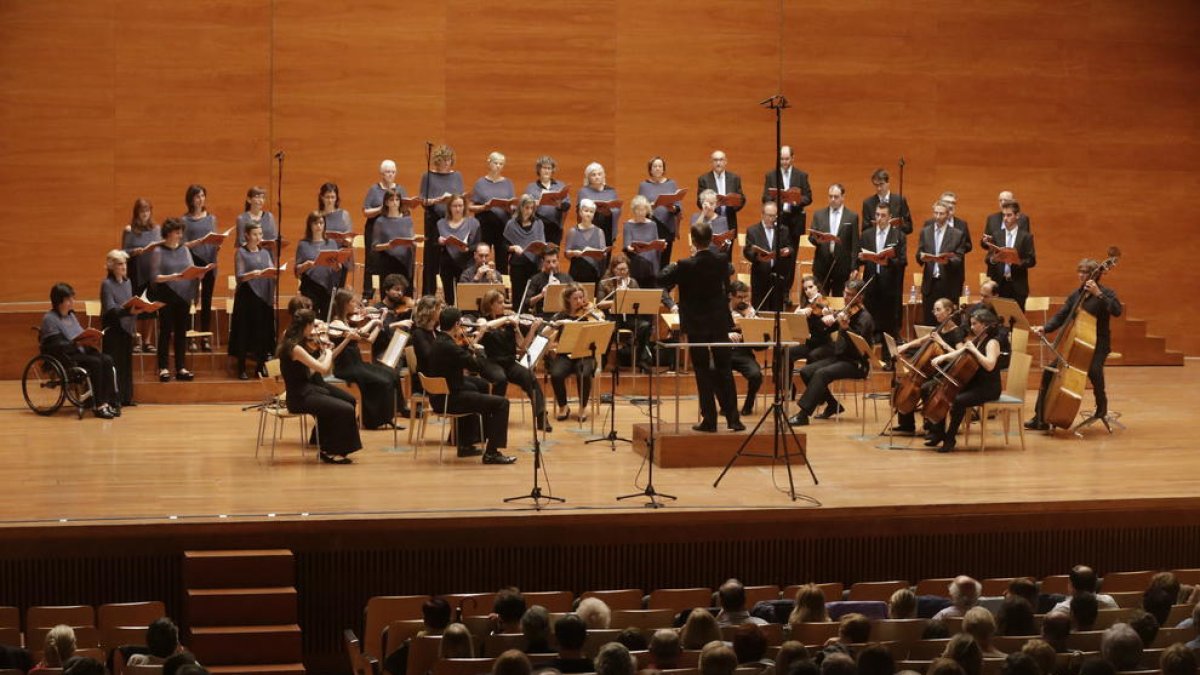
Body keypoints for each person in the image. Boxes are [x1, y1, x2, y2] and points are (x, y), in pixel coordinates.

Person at [659, 222, 744, 432]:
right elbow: (726, 287)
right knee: (724, 369)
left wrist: (673, 265)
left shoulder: (685, 264)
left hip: (696, 323)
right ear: (711, 238)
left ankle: (710, 420)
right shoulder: (722, 260)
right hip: (718, 321)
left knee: (702, 371)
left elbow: (662, 279)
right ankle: (734, 419)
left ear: (693, 241)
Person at [1026, 258, 1122, 431]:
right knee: (1049, 372)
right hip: (1077, 344)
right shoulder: (1075, 295)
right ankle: (1040, 418)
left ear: (1096, 274)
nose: (1081, 275)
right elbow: (1061, 315)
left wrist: (1098, 293)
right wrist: (1045, 328)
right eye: (1080, 271)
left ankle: (1102, 407)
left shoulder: (1106, 293)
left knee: (1093, 370)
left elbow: (1117, 311)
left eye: (1085, 272)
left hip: (1099, 343)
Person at [424, 307, 517, 464]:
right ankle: (492, 453)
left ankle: (467, 442)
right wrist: (479, 351)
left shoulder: (439, 341)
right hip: (449, 399)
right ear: (457, 324)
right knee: (502, 403)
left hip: (440, 395)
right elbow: (475, 366)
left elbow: (458, 356)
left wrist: (468, 346)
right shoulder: (450, 346)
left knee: (481, 385)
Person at [276, 309, 361, 464]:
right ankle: (330, 451)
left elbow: (310, 370)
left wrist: (324, 354)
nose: (314, 330)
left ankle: (327, 446)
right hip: (300, 397)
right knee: (345, 409)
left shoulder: (294, 343)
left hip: (307, 391)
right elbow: (323, 369)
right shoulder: (295, 348)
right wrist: (328, 353)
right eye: (313, 325)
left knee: (345, 404)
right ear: (307, 325)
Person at [790, 279, 875, 426]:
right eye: (845, 293)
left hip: (856, 363)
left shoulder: (865, 318)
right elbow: (823, 331)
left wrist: (846, 328)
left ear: (860, 297)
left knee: (821, 373)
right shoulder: (845, 311)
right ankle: (832, 405)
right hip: (840, 357)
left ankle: (803, 415)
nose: (846, 297)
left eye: (850, 295)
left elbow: (859, 346)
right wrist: (823, 320)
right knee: (806, 371)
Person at [924, 308, 1003, 453]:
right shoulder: (978, 340)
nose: (971, 327)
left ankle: (950, 439)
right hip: (975, 384)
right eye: (971, 324)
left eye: (974, 324)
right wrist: (943, 357)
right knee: (939, 390)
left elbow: (990, 365)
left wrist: (974, 350)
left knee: (959, 401)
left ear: (985, 325)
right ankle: (938, 432)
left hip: (988, 388)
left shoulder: (992, 343)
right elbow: (959, 353)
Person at [42, 282, 120, 418]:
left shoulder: (71, 315)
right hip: (66, 356)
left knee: (107, 359)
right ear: (59, 301)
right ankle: (99, 404)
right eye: (69, 299)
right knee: (96, 363)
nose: (72, 301)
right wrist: (76, 342)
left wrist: (90, 338)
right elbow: (55, 345)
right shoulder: (50, 319)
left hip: (79, 350)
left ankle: (108, 402)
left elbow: (80, 334)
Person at [328, 289, 403, 430]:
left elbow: (369, 340)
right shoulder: (337, 323)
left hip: (358, 364)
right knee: (382, 381)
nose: (355, 305)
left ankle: (391, 415)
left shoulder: (348, 321)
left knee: (391, 374)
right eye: (352, 302)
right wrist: (373, 321)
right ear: (343, 304)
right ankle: (373, 420)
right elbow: (359, 333)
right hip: (346, 368)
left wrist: (380, 322)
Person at [475, 289, 550, 431]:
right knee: (500, 379)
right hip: (491, 362)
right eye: (500, 302)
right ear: (490, 305)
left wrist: (531, 329)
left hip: (509, 362)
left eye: (504, 302)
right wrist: (506, 319)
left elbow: (522, 346)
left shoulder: (510, 323)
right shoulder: (483, 319)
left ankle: (541, 417)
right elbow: (486, 327)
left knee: (530, 377)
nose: (504, 305)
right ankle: (496, 414)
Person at [890, 298, 966, 436]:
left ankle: (933, 427)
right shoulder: (940, 327)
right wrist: (906, 345)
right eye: (934, 310)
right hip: (932, 369)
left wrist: (942, 343)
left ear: (949, 311)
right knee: (902, 380)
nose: (935, 313)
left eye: (938, 310)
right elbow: (925, 339)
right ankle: (906, 424)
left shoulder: (957, 332)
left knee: (926, 388)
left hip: (944, 371)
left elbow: (960, 355)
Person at [151, 218, 199, 382]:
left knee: (181, 333)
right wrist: (172, 277)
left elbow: (191, 269)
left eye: (181, 232)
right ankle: (163, 367)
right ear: (169, 233)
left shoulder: (184, 250)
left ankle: (181, 367)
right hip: (166, 293)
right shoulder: (159, 251)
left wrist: (199, 273)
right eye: (177, 232)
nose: (180, 235)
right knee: (165, 331)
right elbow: (155, 277)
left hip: (183, 295)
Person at [545, 284, 601, 422]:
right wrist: (557, 323)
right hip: (565, 354)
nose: (579, 301)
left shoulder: (589, 314)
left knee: (584, 374)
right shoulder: (561, 315)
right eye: (575, 298)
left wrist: (592, 313)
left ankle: (583, 407)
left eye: (581, 297)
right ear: (567, 300)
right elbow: (544, 332)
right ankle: (563, 406)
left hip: (585, 353)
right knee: (556, 374)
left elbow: (602, 326)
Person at [229, 222, 277, 380]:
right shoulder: (241, 252)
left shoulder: (265, 253)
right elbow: (240, 276)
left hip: (263, 297)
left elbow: (270, 271)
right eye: (255, 234)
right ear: (247, 236)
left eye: (260, 234)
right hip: (247, 296)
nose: (258, 237)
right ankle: (241, 367)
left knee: (262, 332)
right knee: (244, 331)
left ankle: (260, 366)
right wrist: (253, 274)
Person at [859, 202, 907, 353]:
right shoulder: (867, 234)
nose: (880, 218)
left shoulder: (898, 235)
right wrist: (861, 257)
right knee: (867, 324)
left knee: (889, 327)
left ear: (890, 217)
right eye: (877, 215)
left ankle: (889, 359)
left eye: (883, 215)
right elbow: (858, 258)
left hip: (889, 286)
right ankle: (866, 359)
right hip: (871, 284)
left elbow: (903, 261)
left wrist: (888, 261)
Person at [421, 144, 465, 298]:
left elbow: (461, 198)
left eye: (449, 160)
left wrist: (453, 199)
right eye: (444, 159)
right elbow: (423, 201)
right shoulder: (428, 176)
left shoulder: (457, 175)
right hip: (433, 219)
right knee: (431, 258)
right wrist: (439, 199)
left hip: (453, 220)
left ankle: (453, 297)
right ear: (437, 160)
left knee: (452, 256)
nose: (447, 162)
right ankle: (428, 295)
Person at [182, 184, 220, 351]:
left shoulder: (211, 219)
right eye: (197, 196)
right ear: (191, 199)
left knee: (206, 301)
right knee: (192, 301)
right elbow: (182, 245)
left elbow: (215, 239)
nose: (200, 199)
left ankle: (205, 336)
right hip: (192, 263)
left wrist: (218, 244)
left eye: (203, 196)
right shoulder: (184, 220)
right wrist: (198, 243)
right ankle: (190, 336)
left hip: (210, 263)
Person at [917, 201, 969, 325]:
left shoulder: (957, 234)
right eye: (936, 213)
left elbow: (958, 258)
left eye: (941, 213)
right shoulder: (925, 231)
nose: (938, 216)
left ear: (948, 215)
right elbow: (919, 253)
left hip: (948, 284)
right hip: (930, 284)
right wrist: (921, 257)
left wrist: (947, 261)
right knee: (929, 322)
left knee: (948, 323)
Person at [101, 250, 140, 407]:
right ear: (111, 266)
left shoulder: (127, 282)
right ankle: (113, 398)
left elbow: (128, 303)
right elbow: (110, 308)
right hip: (113, 328)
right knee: (114, 365)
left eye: (124, 263)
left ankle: (126, 397)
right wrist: (128, 311)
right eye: (119, 264)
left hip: (126, 327)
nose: (123, 267)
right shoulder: (107, 284)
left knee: (126, 364)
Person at [121, 197, 161, 353]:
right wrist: (133, 252)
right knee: (137, 306)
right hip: (135, 271)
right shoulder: (129, 230)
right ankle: (135, 339)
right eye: (141, 211)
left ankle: (148, 341)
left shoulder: (156, 229)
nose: (145, 214)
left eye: (147, 210)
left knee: (150, 308)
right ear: (136, 212)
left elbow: (159, 249)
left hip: (151, 272)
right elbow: (122, 252)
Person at [362, 160, 405, 301]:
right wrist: (381, 209)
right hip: (375, 228)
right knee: (372, 261)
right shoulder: (374, 190)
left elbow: (405, 209)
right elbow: (366, 211)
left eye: (393, 172)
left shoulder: (400, 189)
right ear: (382, 173)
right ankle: (368, 294)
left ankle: (394, 293)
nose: (391, 174)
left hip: (394, 228)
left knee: (392, 260)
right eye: (388, 172)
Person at [982, 201, 1036, 310]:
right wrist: (993, 259)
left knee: (1016, 322)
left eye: (1009, 215)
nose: (1005, 218)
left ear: (1017, 216)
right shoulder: (997, 235)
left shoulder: (1026, 237)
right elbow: (988, 259)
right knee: (998, 319)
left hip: (1018, 285)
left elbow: (1031, 260)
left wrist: (1017, 261)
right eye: (1004, 215)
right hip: (999, 286)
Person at [809, 184, 859, 297]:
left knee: (839, 300)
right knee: (820, 299)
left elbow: (855, 244)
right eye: (830, 196)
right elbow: (811, 237)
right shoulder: (819, 215)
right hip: (822, 265)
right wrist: (817, 240)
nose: (832, 199)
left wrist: (854, 267)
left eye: (836, 197)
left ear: (843, 197)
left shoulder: (852, 216)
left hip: (842, 266)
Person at [743, 201, 793, 312]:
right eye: (770, 216)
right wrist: (757, 257)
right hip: (760, 277)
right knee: (760, 310)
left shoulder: (783, 230)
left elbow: (790, 247)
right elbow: (747, 251)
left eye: (775, 215)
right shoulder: (752, 230)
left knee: (776, 311)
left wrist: (788, 251)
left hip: (777, 277)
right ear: (762, 215)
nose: (773, 218)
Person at [470, 151, 516, 274]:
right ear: (489, 163)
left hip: (503, 226)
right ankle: (480, 284)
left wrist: (509, 208)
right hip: (485, 225)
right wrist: (484, 207)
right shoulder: (480, 183)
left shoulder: (508, 183)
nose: (498, 166)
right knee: (482, 258)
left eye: (501, 164)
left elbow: (513, 206)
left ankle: (503, 290)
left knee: (502, 259)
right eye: (496, 163)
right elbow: (470, 207)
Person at [294, 211, 343, 320]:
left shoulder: (331, 243)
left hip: (328, 285)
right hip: (310, 285)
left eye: (321, 223)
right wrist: (305, 265)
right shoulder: (303, 244)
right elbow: (297, 271)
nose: (319, 226)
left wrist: (337, 267)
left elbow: (337, 267)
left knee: (327, 317)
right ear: (310, 225)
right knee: (310, 317)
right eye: (315, 223)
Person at [727, 281, 764, 417]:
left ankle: (749, 403)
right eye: (740, 297)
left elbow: (761, 344)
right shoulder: (722, 311)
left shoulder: (750, 311)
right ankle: (727, 406)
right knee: (714, 370)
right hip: (723, 352)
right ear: (731, 296)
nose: (743, 301)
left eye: (746, 297)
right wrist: (727, 334)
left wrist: (752, 320)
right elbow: (713, 330)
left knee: (756, 375)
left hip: (742, 353)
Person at [762, 145, 812, 245]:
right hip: (777, 219)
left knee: (792, 252)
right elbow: (765, 197)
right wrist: (776, 199)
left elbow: (808, 197)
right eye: (782, 159)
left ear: (792, 158)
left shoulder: (801, 176)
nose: (784, 162)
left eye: (787, 159)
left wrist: (796, 201)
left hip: (795, 220)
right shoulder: (771, 176)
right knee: (776, 250)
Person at [437, 194, 481, 306]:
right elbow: (433, 244)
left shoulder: (473, 223)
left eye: (460, 206)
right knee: (449, 296)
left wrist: (467, 248)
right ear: (449, 207)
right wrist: (439, 241)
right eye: (454, 206)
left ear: (464, 207)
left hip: (466, 262)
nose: (457, 209)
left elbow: (477, 244)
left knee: (464, 295)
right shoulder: (440, 223)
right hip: (446, 262)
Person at [504, 194, 547, 309]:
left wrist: (540, 250)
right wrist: (513, 248)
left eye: (531, 208)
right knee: (518, 296)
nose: (529, 211)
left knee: (532, 295)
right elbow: (504, 246)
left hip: (534, 265)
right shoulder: (511, 224)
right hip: (518, 265)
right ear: (521, 207)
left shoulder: (538, 223)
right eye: (526, 207)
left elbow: (543, 244)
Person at [638, 155, 683, 263]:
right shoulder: (643, 185)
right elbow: (638, 207)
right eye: (655, 166)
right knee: (650, 260)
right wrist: (650, 207)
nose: (657, 168)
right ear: (650, 169)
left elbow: (678, 206)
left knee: (665, 261)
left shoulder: (672, 184)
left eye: (660, 166)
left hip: (667, 227)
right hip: (650, 226)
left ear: (663, 169)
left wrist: (672, 208)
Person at [371, 188, 417, 292]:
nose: (395, 203)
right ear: (386, 202)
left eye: (397, 200)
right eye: (391, 200)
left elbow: (411, 238)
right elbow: (375, 246)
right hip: (388, 260)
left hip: (405, 261)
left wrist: (413, 242)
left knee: (405, 292)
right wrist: (388, 245)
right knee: (389, 292)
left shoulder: (407, 220)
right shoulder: (380, 221)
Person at [525, 155, 571, 246]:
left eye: (549, 168)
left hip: (555, 226)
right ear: (539, 170)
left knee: (553, 254)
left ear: (552, 170)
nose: (546, 171)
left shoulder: (560, 185)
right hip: (536, 226)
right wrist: (534, 204)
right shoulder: (531, 187)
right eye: (544, 168)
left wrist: (560, 205)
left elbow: (567, 205)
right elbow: (525, 208)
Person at [564, 199, 608, 291]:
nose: (588, 214)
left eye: (591, 212)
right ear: (580, 212)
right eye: (586, 211)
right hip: (577, 271)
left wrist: (599, 254)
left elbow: (604, 254)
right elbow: (566, 253)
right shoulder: (573, 231)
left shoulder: (599, 232)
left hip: (593, 271)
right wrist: (574, 253)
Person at [623, 194, 666, 289]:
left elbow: (656, 244)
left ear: (647, 210)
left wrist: (661, 246)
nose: (640, 212)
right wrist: (631, 248)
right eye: (638, 209)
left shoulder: (652, 225)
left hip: (651, 264)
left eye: (643, 209)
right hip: (636, 264)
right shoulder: (628, 225)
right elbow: (627, 245)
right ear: (634, 210)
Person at [698, 149, 747, 232]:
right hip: (711, 222)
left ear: (725, 162)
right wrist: (712, 205)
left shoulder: (734, 178)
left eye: (721, 160)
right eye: (715, 160)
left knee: (729, 244)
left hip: (730, 222)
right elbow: (699, 201)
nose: (718, 163)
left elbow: (741, 199)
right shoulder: (704, 179)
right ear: (711, 162)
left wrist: (733, 203)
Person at [317, 182, 355, 288]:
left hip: (340, 255)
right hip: (323, 255)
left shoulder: (344, 214)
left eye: (333, 197)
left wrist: (347, 240)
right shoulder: (317, 216)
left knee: (338, 289)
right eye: (327, 197)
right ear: (322, 197)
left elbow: (349, 235)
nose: (330, 200)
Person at [578, 162, 620, 246]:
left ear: (603, 176)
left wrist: (609, 212)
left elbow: (618, 210)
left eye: (599, 174)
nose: (597, 177)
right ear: (588, 178)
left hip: (608, 228)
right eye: (593, 175)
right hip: (590, 228)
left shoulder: (611, 191)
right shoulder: (583, 191)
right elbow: (579, 211)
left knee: (606, 255)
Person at [861, 168, 913, 234]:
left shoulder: (900, 200)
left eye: (881, 184)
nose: (879, 188)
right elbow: (865, 230)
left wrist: (898, 226)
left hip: (895, 242)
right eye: (876, 185)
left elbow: (909, 228)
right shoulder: (868, 203)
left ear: (888, 183)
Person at [526, 245, 573, 318]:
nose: (551, 265)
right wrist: (541, 295)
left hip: (564, 315)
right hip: (543, 316)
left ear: (558, 261)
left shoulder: (566, 278)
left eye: (554, 261)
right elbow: (527, 302)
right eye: (548, 262)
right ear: (543, 262)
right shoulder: (536, 278)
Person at [235, 186, 278, 257]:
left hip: (268, 255)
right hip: (249, 256)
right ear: (249, 199)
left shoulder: (269, 216)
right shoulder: (242, 218)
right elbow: (241, 242)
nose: (260, 200)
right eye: (257, 197)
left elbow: (274, 238)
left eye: (263, 197)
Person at [693, 189, 734, 255]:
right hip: (700, 254)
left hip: (716, 255)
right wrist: (703, 213)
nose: (709, 207)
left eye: (712, 204)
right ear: (702, 203)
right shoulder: (696, 217)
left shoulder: (723, 220)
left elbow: (723, 241)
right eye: (706, 203)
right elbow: (695, 232)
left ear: (716, 204)